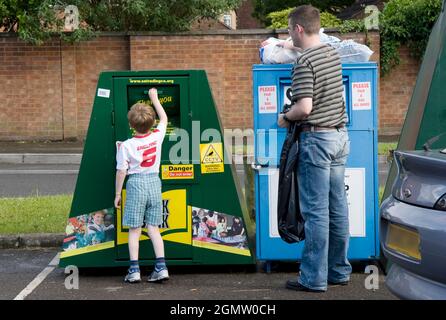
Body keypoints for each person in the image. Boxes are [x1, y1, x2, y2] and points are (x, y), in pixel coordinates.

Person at [277, 5, 351, 293]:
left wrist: (285, 116)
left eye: (288, 29)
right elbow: (307, 51)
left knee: (316, 212)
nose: (287, 34)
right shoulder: (331, 53)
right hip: (340, 138)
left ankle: (312, 278)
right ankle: (338, 270)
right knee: (337, 207)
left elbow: (304, 108)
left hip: (317, 142)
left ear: (297, 29)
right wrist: (286, 44)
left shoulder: (304, 63)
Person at [114, 88, 169, 283]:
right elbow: (164, 119)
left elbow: (121, 172)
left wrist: (117, 194)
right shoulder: (156, 136)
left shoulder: (126, 146)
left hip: (136, 183)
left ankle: (134, 271)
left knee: (135, 230)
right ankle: (161, 268)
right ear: (151, 123)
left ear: (131, 124)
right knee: (154, 228)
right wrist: (154, 98)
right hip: (154, 182)